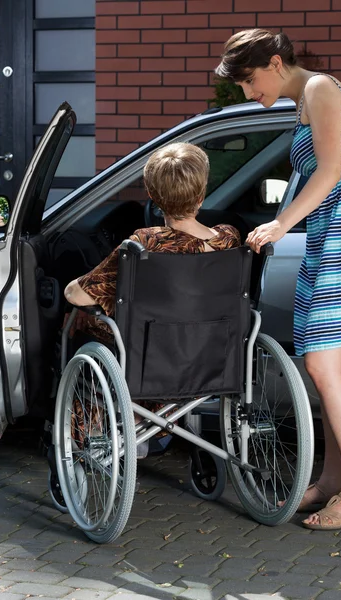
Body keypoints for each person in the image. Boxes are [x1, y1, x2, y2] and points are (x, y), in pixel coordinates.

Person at [215, 28, 341, 530]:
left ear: (276, 63)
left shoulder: (319, 88)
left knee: (321, 364)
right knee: (331, 367)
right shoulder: (305, 102)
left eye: (250, 81)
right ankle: (336, 481)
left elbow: (332, 170)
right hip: (334, 231)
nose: (251, 94)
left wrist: (280, 222)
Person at [64, 142, 241, 456]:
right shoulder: (229, 238)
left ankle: (109, 425)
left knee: (79, 321)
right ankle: (146, 421)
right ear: (201, 194)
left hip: (151, 357)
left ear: (153, 195)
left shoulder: (143, 243)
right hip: (210, 354)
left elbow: (77, 294)